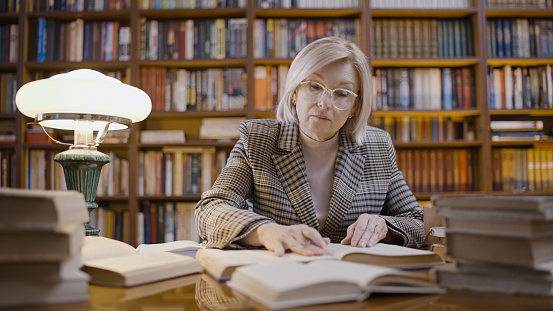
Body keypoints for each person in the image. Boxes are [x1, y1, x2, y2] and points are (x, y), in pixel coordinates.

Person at [195, 37, 425, 257]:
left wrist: (384, 225)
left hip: (354, 280)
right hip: (280, 277)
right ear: (295, 92)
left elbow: (416, 221)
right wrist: (268, 231)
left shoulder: (377, 147)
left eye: (342, 93)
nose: (324, 104)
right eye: (314, 86)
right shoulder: (258, 140)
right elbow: (210, 210)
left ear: (355, 105)